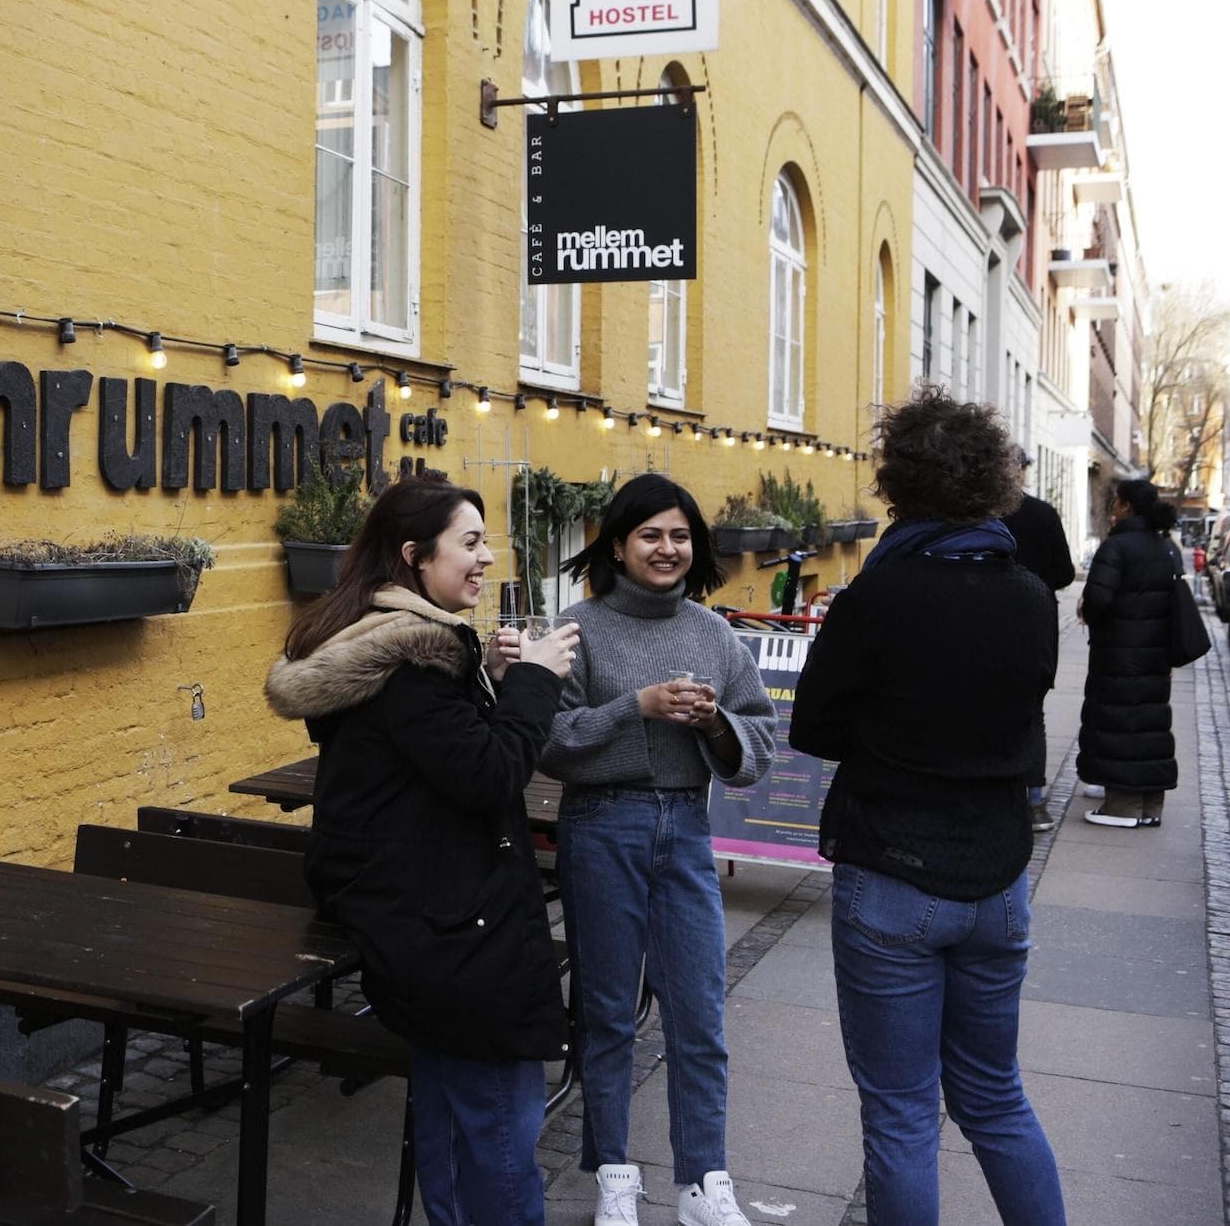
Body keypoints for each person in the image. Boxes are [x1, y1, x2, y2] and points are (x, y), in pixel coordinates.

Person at [263, 470, 580, 1225]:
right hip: (456, 936)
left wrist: (493, 681)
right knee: (499, 1128)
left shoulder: (391, 646)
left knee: (451, 1110)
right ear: (414, 555)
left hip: (424, 925)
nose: (486, 557)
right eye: (469, 543)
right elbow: (490, 774)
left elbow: (432, 766)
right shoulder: (413, 662)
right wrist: (535, 680)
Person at [789, 388, 1065, 1226]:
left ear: (898, 481)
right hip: (998, 877)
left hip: (894, 876)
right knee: (995, 1098)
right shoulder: (1028, 595)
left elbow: (815, 724)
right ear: (991, 482)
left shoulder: (880, 594)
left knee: (903, 1115)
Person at [535, 473, 776, 1226]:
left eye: (680, 535)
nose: (667, 548)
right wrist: (636, 706)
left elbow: (760, 743)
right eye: (651, 535)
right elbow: (549, 740)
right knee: (606, 1010)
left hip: (685, 827)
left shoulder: (713, 632)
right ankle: (614, 1170)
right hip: (600, 827)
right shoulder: (578, 627)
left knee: (698, 1012)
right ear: (617, 544)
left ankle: (705, 1181)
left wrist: (711, 725)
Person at [1076, 477, 1182, 829]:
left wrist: (1085, 609)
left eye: (1116, 503)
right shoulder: (1165, 547)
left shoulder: (1117, 547)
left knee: (1119, 721)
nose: (1112, 510)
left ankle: (1121, 804)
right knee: (1149, 723)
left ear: (1126, 507)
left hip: (1118, 653)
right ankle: (1150, 804)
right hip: (1156, 654)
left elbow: (1098, 599)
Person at [1000, 453, 1076, 831]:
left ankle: (994, 795)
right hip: (1036, 620)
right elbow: (1064, 571)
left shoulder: (977, 515)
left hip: (988, 619)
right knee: (1033, 711)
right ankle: (1033, 801)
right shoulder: (1043, 514)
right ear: (1022, 471)